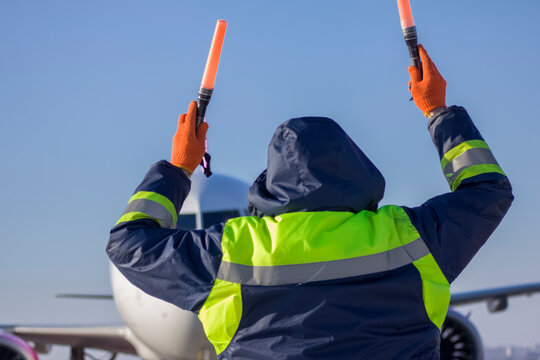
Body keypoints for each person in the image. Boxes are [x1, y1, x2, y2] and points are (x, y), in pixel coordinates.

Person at [106, 45, 513, 359]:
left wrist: (179, 168)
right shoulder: (411, 238)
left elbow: (126, 242)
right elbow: (488, 191)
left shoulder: (232, 251)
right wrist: (438, 110)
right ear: (359, 167)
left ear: (270, 182)